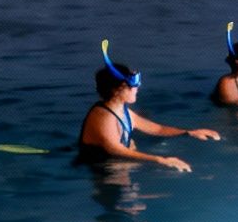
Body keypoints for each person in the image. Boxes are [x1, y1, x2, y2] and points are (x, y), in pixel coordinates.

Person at [78, 61, 221, 172]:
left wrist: (189, 132)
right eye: (132, 85)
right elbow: (115, 149)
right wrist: (159, 160)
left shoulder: (123, 111)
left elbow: (156, 129)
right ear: (116, 90)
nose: (137, 88)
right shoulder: (104, 117)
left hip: (117, 162)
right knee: (129, 207)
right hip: (103, 169)